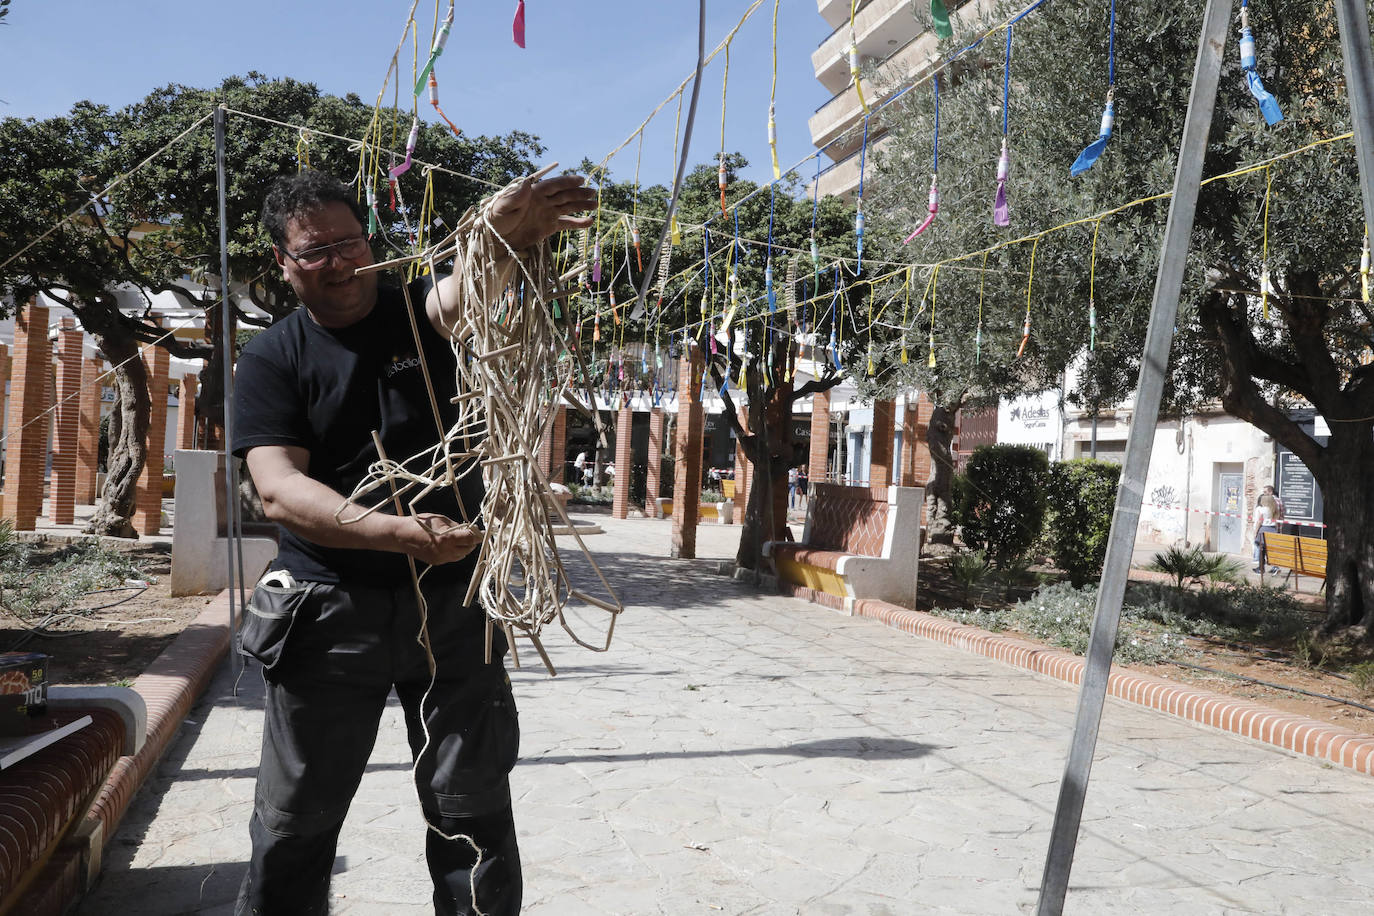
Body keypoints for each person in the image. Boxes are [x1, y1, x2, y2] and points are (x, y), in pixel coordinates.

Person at [232, 168, 595, 915]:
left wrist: (500, 236)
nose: (339, 261)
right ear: (283, 262)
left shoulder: (417, 313)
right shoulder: (274, 358)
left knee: (471, 811)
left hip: (454, 605)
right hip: (328, 612)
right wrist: (392, 532)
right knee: (297, 817)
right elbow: (277, 487)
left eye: (349, 241)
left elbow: (461, 290)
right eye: (315, 251)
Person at [1252, 497, 1278, 574]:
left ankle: (1261, 568)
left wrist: (1255, 532)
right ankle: (1275, 567)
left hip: (1264, 529)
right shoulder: (1274, 510)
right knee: (1269, 550)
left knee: (1261, 550)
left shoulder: (1262, 509)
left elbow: (1259, 521)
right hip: (1273, 530)